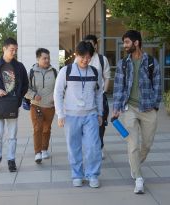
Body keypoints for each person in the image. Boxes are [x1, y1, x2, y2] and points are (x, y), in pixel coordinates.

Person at [112, 30, 162, 194]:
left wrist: (155, 105)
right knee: (132, 144)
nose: (124, 46)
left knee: (146, 144)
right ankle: (139, 178)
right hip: (129, 109)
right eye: (124, 43)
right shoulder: (123, 64)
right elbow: (119, 87)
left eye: (127, 42)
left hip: (148, 108)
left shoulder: (151, 62)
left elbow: (158, 85)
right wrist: (116, 108)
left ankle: (134, 163)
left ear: (136, 43)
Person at [54, 41, 103, 188]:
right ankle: (77, 174)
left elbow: (99, 94)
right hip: (71, 116)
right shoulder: (66, 71)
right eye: (82, 57)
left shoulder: (95, 72)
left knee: (94, 146)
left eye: (88, 57)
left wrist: (100, 113)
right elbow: (57, 93)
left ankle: (92, 174)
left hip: (91, 115)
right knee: (73, 146)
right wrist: (60, 114)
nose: (85, 60)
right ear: (77, 55)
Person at [0, 37, 29, 172]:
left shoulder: (19, 66)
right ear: (4, 49)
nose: (14, 52)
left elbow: (25, 85)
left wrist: (18, 98)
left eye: (15, 50)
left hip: (12, 105)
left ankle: (11, 160)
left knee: (12, 135)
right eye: (11, 49)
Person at [24, 48, 56, 163]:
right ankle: (37, 152)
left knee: (46, 129)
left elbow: (59, 88)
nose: (47, 60)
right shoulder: (32, 72)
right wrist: (33, 95)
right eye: (44, 58)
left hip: (50, 106)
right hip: (36, 105)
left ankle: (44, 149)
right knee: (37, 128)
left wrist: (56, 98)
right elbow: (25, 88)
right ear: (38, 59)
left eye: (48, 58)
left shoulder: (54, 72)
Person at [82, 34, 110, 159]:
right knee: (86, 124)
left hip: (99, 96)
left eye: (91, 43)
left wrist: (104, 92)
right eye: (86, 43)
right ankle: (89, 146)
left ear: (96, 45)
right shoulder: (81, 59)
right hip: (85, 98)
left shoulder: (101, 59)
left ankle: (99, 147)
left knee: (101, 123)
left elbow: (107, 77)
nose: (88, 45)